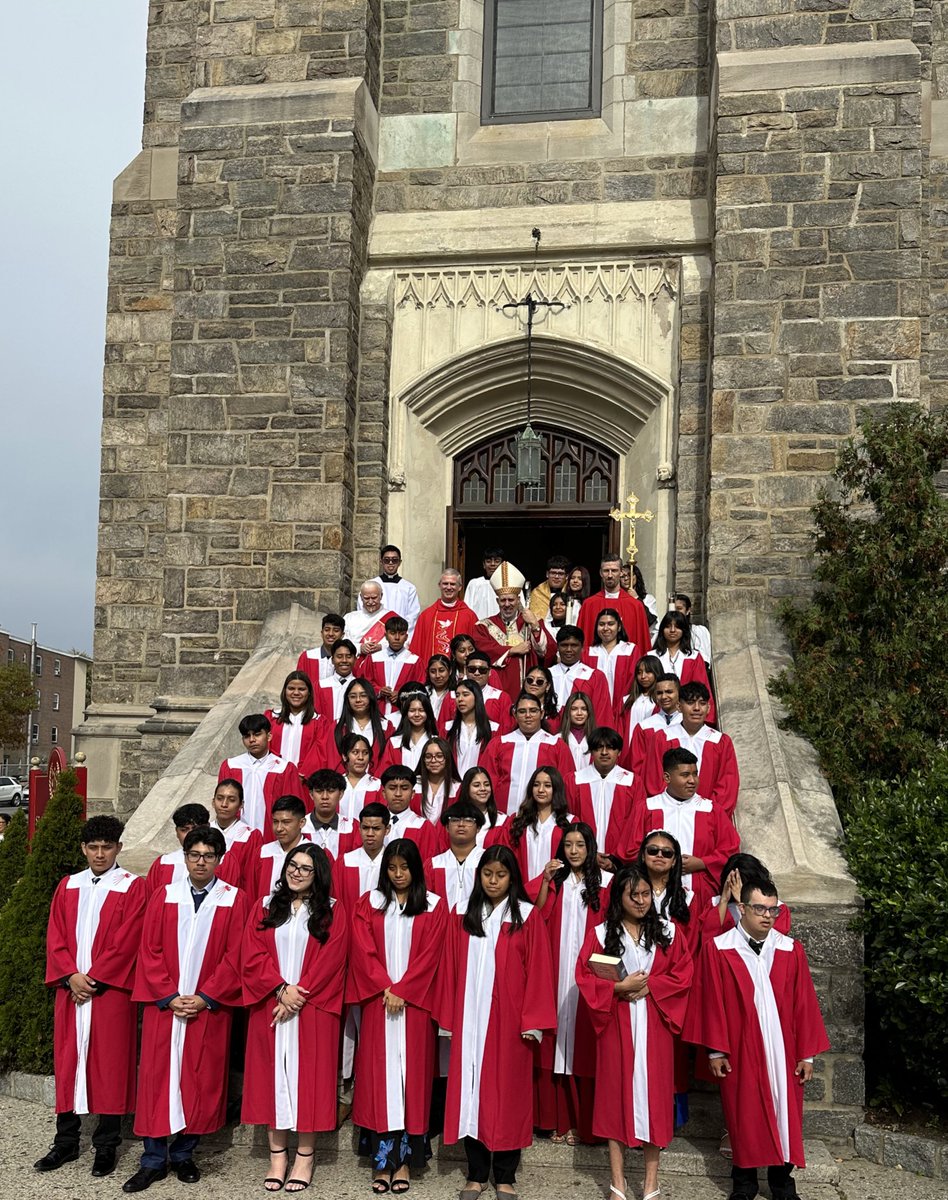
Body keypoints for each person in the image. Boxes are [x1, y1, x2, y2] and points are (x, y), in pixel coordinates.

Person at [684, 881, 830, 1200]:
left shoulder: (790, 949)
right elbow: (712, 1002)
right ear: (742, 909)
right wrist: (716, 1051)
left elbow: (804, 1003)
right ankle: (744, 1184)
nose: (767, 915)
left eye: (773, 909)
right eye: (760, 908)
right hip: (740, 1048)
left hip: (783, 1050)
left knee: (785, 1115)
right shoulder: (719, 948)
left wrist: (806, 1055)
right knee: (743, 1115)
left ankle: (782, 1185)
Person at [126, 827, 246, 1193]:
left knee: (201, 1080)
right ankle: (152, 1160)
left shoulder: (233, 899)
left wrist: (207, 996)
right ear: (185, 857)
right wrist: (168, 994)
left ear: (219, 859)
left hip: (207, 1009)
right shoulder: (165, 895)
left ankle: (183, 1154)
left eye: (208, 856)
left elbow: (236, 955)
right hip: (165, 1007)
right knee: (157, 1080)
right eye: (194, 855)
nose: (201, 862)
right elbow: (149, 950)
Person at [439, 845, 556, 1199]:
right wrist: (449, 1018)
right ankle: (476, 1174)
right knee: (471, 1091)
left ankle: (505, 1175)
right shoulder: (463, 912)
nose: (493, 881)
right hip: (470, 1020)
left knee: (509, 1096)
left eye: (501, 875)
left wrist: (533, 1021)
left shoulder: (526, 915)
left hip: (509, 1023)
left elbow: (538, 970)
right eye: (487, 874)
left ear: (512, 878)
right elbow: (450, 966)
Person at [37, 816, 146, 1178]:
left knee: (110, 1064)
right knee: (69, 1061)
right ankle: (66, 1141)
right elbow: (55, 936)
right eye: (94, 847)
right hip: (71, 990)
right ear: (84, 849)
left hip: (109, 992)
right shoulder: (68, 885)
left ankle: (107, 1144)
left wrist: (95, 978)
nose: (100, 854)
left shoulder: (132, 886)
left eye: (107, 847)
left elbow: (128, 939)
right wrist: (70, 975)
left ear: (118, 847)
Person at [577, 865, 694, 1200]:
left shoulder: (669, 932)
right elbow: (584, 976)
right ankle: (618, 1181)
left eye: (645, 894)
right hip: (616, 1024)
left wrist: (651, 986)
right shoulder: (601, 934)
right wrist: (619, 988)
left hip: (655, 1024)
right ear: (619, 897)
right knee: (614, 1099)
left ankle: (651, 1181)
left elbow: (684, 973)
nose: (642, 901)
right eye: (634, 895)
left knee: (655, 1100)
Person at [241, 843, 348, 1194]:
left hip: (313, 1008)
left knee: (310, 1081)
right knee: (271, 1079)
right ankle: (277, 1157)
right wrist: (279, 989)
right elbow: (252, 953)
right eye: (292, 865)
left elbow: (333, 959)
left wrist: (297, 995)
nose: (296, 872)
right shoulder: (266, 906)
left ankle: (304, 1156)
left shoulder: (332, 910)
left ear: (318, 875)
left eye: (305, 868)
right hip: (271, 1005)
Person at [349, 839, 446, 1194]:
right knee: (379, 1078)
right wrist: (385, 986)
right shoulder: (370, 902)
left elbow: (432, 954)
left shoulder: (434, 905)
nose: (398, 874)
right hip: (379, 1003)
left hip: (415, 1007)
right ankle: (381, 1162)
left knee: (412, 1080)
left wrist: (403, 989)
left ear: (416, 869)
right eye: (392, 868)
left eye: (404, 868)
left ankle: (404, 1161)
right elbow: (362, 950)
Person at [534, 822, 611, 1145]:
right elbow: (536, 916)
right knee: (555, 1044)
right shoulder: (555, 880)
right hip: (555, 970)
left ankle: (584, 1124)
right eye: (568, 845)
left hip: (591, 974)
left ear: (590, 847)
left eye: (580, 844)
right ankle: (557, 1119)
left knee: (585, 1045)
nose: (574, 851)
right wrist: (545, 880)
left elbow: (613, 931)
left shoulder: (606, 882)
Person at [624, 748, 740, 911]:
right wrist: (660, 863)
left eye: (695, 774)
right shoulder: (647, 808)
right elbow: (629, 851)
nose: (692, 780)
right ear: (667, 777)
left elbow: (730, 851)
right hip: (653, 890)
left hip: (700, 892)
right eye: (685, 775)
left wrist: (702, 862)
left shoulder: (711, 809)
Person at [643, 681, 739, 816]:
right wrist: (670, 809)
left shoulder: (720, 742)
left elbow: (727, 786)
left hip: (707, 816)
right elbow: (654, 779)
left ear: (709, 708)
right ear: (679, 706)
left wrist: (710, 814)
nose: (697, 708)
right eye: (690, 703)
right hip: (668, 814)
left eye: (702, 703)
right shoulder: (662, 738)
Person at [479, 693, 576, 815]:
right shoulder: (499, 744)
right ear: (515, 714)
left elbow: (566, 785)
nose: (528, 715)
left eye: (533, 711)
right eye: (522, 711)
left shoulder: (557, 745)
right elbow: (486, 781)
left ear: (542, 714)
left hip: (542, 819)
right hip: (502, 817)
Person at [218, 713, 308, 836]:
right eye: (246, 736)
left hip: (272, 835)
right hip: (236, 834)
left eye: (257, 734)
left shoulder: (284, 768)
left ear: (269, 736)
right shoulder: (231, 766)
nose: (252, 740)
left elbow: (294, 808)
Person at [472, 561, 550, 699]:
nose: (507, 604)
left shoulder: (529, 623)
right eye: (503, 600)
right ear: (497, 601)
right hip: (495, 689)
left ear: (518, 600)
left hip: (526, 692)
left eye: (511, 600)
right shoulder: (484, 626)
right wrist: (512, 650)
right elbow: (482, 650)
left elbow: (543, 651)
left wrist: (534, 624)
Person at [503, 766, 574, 899]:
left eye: (547, 785)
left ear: (556, 789)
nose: (541, 790)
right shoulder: (517, 820)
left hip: (556, 893)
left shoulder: (569, 822)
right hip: (521, 893)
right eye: (536, 785)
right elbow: (506, 857)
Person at [574, 727, 636, 860]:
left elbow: (635, 826)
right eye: (598, 748)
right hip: (582, 858)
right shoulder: (575, 780)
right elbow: (571, 822)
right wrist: (589, 854)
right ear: (591, 751)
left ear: (619, 752)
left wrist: (615, 860)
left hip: (620, 862)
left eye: (610, 748)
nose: (604, 752)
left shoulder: (632, 782)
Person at [577, 555, 651, 658]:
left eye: (614, 570)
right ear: (600, 573)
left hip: (626, 663)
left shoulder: (635, 606)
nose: (610, 575)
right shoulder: (589, 605)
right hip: (594, 662)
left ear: (621, 573)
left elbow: (643, 643)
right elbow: (580, 641)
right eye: (606, 571)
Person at [653, 612, 716, 724]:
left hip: (685, 714)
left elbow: (701, 687)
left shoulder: (693, 657)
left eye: (677, 627)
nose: (672, 630)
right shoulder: (652, 656)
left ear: (684, 630)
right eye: (668, 626)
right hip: (656, 712)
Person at [248, 797, 315, 902]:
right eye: (275, 822)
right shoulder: (263, 853)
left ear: (301, 822)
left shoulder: (315, 853)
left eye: (286, 822)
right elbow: (251, 892)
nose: (279, 828)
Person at [332, 802, 392, 918]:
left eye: (376, 828)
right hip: (349, 924)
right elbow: (336, 903)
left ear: (387, 829)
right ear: (359, 828)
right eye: (365, 828)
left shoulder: (392, 864)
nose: (370, 834)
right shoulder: (345, 862)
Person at [266, 671, 329, 780]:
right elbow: (264, 747)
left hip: (303, 781)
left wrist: (302, 774)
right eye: (291, 688)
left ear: (309, 692)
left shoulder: (319, 722)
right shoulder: (271, 717)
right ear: (284, 691)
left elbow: (320, 752)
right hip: (273, 777)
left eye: (301, 689)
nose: (296, 693)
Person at [548, 626, 614, 730]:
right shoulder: (547, 674)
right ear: (557, 647)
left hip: (582, 734)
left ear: (582, 647)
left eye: (574, 645)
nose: (569, 650)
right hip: (547, 732)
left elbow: (601, 713)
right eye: (564, 645)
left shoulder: (594, 676)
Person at [426, 800, 486, 910]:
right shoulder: (434, 864)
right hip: (441, 920)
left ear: (478, 828)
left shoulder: (487, 861)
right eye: (455, 820)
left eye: (468, 820)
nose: (461, 824)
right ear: (447, 827)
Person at [626, 673, 682, 788]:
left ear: (679, 693)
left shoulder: (688, 724)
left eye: (669, 692)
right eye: (659, 693)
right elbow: (636, 766)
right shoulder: (644, 726)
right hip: (652, 790)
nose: (664, 697)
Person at [410, 568, 478, 660]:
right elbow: (417, 648)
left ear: (460, 587)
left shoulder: (469, 616)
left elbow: (475, 649)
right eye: (445, 583)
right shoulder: (426, 616)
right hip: (432, 668)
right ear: (439, 585)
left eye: (453, 584)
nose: (449, 587)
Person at [145, 804, 211, 895]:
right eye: (184, 830)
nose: (190, 835)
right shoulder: (165, 862)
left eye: (195, 829)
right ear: (177, 832)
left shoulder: (222, 861)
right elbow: (151, 897)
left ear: (208, 827)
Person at [210, 778, 262, 893]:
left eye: (231, 800)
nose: (224, 804)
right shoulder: (203, 832)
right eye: (220, 798)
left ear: (241, 804)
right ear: (213, 802)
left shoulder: (250, 835)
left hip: (236, 896)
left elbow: (251, 877)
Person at [361, 615, 419, 717]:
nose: (397, 638)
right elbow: (364, 683)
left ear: (406, 637)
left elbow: (420, 687)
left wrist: (403, 694)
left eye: (401, 634)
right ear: (386, 635)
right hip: (377, 712)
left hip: (404, 714)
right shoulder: (373, 658)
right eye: (392, 633)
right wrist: (379, 691)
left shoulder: (414, 661)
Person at [380, 764, 437, 861]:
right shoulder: (373, 823)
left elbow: (427, 863)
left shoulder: (423, 826)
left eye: (404, 788)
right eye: (392, 788)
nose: (398, 794)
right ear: (384, 793)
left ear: (413, 794)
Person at [304, 769, 361, 861]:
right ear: (311, 794)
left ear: (341, 794)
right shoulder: (301, 826)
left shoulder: (352, 826)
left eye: (330, 791)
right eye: (319, 791)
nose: (325, 797)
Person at [585, 608, 639, 706]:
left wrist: (622, 706)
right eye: (601, 624)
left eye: (610, 624)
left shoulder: (630, 650)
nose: (605, 628)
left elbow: (633, 681)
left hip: (624, 706)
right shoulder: (589, 653)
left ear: (619, 627)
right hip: (594, 708)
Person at [364, 545, 421, 635]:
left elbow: (413, 616)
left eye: (394, 560)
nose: (390, 563)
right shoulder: (369, 585)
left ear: (399, 562)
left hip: (399, 636)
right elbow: (364, 612)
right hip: (375, 635)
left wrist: (398, 633)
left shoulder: (409, 588)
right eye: (387, 560)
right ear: (381, 562)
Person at [615, 654, 664, 756]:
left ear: (657, 672)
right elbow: (619, 728)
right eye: (639, 672)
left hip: (652, 751)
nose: (643, 676)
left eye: (648, 672)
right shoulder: (626, 700)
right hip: (627, 753)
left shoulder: (661, 701)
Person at [445, 678, 496, 777]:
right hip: (453, 783)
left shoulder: (493, 729)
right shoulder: (447, 728)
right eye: (457, 695)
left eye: (465, 694)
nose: (460, 699)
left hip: (479, 783)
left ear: (477, 697)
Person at [333, 677, 389, 766]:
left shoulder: (386, 726)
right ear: (347, 700)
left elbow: (387, 761)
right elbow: (333, 759)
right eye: (353, 696)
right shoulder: (338, 726)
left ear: (371, 697)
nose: (358, 700)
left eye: (363, 695)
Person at [384, 692, 440, 774]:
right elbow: (386, 771)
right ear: (406, 713)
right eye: (412, 710)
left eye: (421, 710)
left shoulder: (436, 742)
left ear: (428, 713)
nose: (417, 714)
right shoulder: (394, 742)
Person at [462, 652, 516, 733]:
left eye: (482, 670)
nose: (477, 673)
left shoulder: (501, 697)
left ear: (490, 672)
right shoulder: (453, 696)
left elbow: (506, 729)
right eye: (472, 669)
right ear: (465, 670)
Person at [346, 581, 399, 658]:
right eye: (366, 598)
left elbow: (403, 642)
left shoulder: (393, 618)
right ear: (361, 597)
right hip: (356, 663)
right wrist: (359, 648)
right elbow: (341, 642)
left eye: (374, 598)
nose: (370, 602)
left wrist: (381, 647)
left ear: (381, 596)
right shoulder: (349, 618)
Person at [415, 736, 459, 824]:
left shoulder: (457, 788)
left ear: (447, 758)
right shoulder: (414, 785)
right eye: (428, 756)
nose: (433, 760)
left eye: (439, 756)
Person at [314, 639, 359, 723]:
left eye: (349, 656)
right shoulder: (321, 685)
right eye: (339, 656)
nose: (344, 660)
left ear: (355, 659)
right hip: (325, 730)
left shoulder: (360, 686)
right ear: (332, 660)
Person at [339, 733, 382, 820]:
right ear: (344, 756)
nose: (361, 757)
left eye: (365, 753)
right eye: (355, 752)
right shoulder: (335, 785)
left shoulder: (377, 785)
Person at [296, 612, 345, 682]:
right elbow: (299, 683)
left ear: (342, 635)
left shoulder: (346, 659)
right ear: (322, 633)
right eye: (327, 630)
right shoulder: (307, 656)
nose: (331, 634)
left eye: (336, 630)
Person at [463, 546, 506, 619]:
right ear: (484, 565)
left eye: (497, 561)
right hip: (479, 624)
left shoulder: (510, 584)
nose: (492, 564)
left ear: (503, 564)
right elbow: (467, 610)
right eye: (488, 561)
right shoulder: (475, 584)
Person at [558, 691, 596, 772]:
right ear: (568, 712)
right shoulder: (558, 739)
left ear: (589, 712)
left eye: (584, 709)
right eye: (574, 709)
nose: (579, 713)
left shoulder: (597, 740)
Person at [672, 593, 712, 668]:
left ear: (688, 610)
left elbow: (704, 661)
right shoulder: (664, 632)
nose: (675, 612)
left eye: (679, 608)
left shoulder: (698, 631)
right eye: (672, 609)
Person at [527, 555, 571, 620]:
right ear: (547, 574)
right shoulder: (538, 593)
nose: (556, 577)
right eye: (553, 573)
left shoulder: (571, 592)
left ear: (567, 576)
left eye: (560, 574)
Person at [425, 653, 454, 721]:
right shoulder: (423, 692)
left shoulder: (455, 693)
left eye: (441, 670)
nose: (437, 675)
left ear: (450, 671)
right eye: (433, 671)